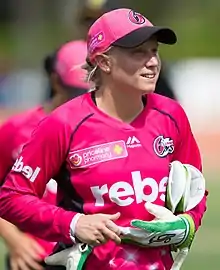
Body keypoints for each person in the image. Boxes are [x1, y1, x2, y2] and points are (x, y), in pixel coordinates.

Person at [0, 8, 207, 270]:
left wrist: (187, 223)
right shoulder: (63, 124)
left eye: (154, 51)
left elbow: (196, 190)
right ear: (104, 62)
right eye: (138, 52)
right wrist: (73, 224)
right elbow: (11, 198)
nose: (153, 61)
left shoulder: (171, 115)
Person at [0, 40, 89, 270]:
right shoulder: (16, 130)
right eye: (76, 92)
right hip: (33, 259)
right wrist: (14, 240)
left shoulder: (102, 131)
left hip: (88, 256)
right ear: (55, 81)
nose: (84, 100)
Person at [78, 0, 177, 100]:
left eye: (154, 51)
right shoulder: (70, 55)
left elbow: (168, 101)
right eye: (89, 21)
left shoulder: (146, 64)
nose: (153, 62)